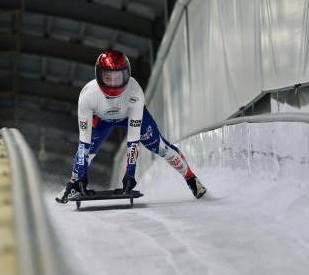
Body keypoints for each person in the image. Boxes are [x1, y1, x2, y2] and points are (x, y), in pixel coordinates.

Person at [56, 50, 207, 204]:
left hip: (129, 114)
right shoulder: (87, 96)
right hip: (101, 120)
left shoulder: (135, 92)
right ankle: (74, 183)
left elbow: (133, 140)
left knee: (161, 147)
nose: (114, 83)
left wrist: (130, 174)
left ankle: (191, 178)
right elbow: (84, 143)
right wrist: (82, 176)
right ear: (99, 76)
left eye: (118, 77)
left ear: (127, 75)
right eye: (108, 78)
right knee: (88, 152)